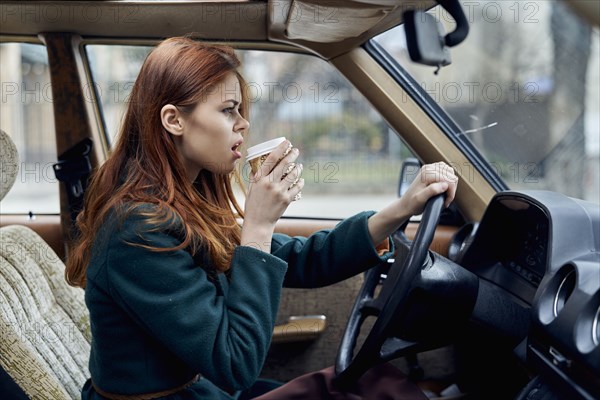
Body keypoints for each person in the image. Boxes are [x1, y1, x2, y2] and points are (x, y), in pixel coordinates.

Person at [65, 36, 458, 400]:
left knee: (369, 385)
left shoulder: (186, 204)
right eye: (227, 110)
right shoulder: (136, 229)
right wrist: (258, 226)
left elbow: (303, 258)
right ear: (174, 120)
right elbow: (235, 364)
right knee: (372, 388)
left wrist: (405, 207)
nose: (243, 123)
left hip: (202, 392)